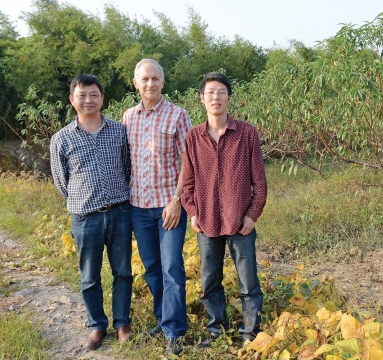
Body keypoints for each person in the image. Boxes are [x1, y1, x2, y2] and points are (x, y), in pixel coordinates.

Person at [182, 72, 268, 347]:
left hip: (240, 220)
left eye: (221, 92)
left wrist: (252, 215)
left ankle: (250, 333)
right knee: (209, 282)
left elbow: (260, 181)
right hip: (207, 220)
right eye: (210, 92)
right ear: (202, 99)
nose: (215, 97)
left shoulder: (246, 133)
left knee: (248, 281)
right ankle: (216, 332)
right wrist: (193, 212)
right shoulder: (193, 137)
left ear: (229, 97)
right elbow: (188, 182)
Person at [50, 74, 133, 350]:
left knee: (122, 271)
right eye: (82, 95)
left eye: (94, 94)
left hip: (120, 211)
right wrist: (82, 201)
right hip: (85, 217)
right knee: (89, 276)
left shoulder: (119, 131)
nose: (88, 100)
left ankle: (122, 323)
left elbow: (127, 168)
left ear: (102, 98)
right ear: (72, 99)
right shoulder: (61, 139)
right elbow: (61, 181)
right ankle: (97, 325)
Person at [123, 59, 192, 356]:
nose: (150, 83)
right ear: (136, 83)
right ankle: (162, 318)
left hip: (169, 207)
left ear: (163, 82)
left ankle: (175, 331)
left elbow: (188, 163)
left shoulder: (178, 115)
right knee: (152, 269)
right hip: (138, 207)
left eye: (155, 78)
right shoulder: (128, 117)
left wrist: (177, 201)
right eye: (145, 79)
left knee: (172, 268)